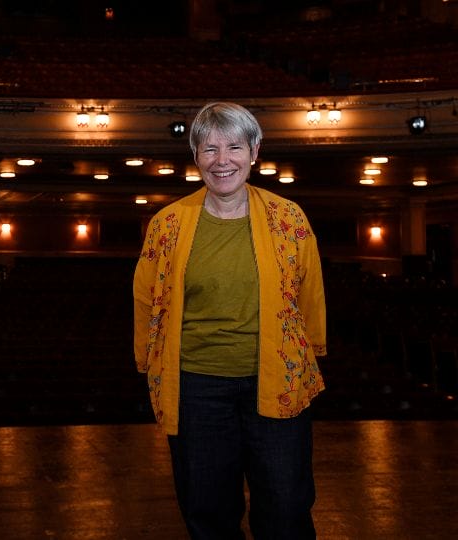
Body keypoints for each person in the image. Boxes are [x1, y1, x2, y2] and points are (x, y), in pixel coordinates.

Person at [132, 102, 326, 539]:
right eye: (209, 149)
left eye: (234, 147)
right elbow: (145, 299)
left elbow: (310, 293)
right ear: (196, 156)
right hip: (196, 385)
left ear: (255, 151)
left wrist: (313, 350)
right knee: (207, 508)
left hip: (277, 378)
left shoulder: (289, 218)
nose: (222, 161)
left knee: (286, 504)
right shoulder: (167, 225)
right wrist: (147, 360)